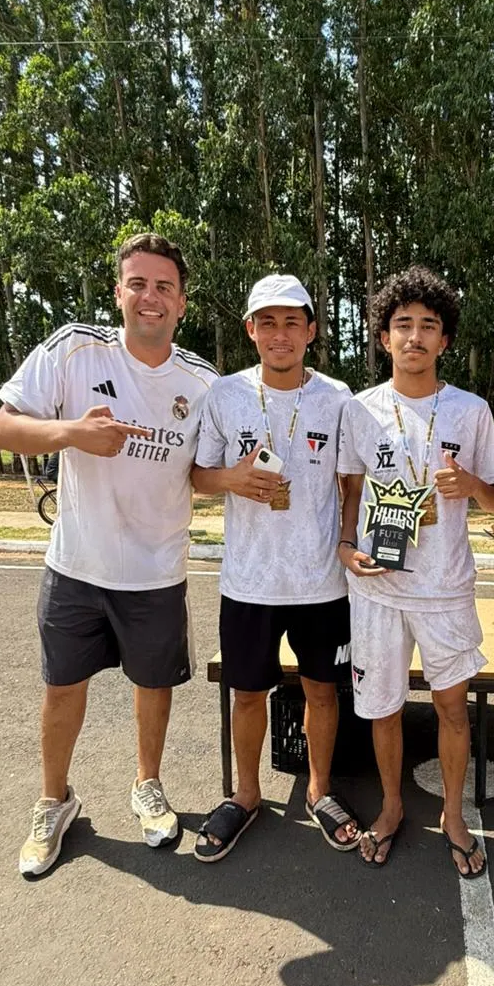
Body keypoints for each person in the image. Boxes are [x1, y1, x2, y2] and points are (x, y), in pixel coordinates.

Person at [0, 232, 218, 876]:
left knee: (154, 686)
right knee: (62, 687)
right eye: (138, 284)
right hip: (76, 566)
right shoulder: (74, 348)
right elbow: (2, 428)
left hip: (156, 570)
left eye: (164, 287)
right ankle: (53, 801)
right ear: (119, 293)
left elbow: (202, 472)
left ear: (182, 302)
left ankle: (148, 784)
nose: (151, 297)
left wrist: (239, 478)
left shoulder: (203, 382)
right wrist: (73, 433)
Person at [337, 266, 494, 875]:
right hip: (377, 586)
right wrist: (345, 545)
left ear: (444, 340)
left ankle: (453, 815)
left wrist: (471, 485)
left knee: (452, 708)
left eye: (428, 326)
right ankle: (392, 807)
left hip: (444, 589)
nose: (415, 337)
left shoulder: (471, 410)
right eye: (402, 324)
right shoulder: (358, 410)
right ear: (383, 337)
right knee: (383, 707)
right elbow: (350, 488)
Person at [191, 274, 358, 861]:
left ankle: (319, 790)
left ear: (311, 331)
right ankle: (246, 794)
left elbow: (352, 480)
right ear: (250, 330)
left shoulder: (338, 398)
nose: (279, 334)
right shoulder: (225, 395)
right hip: (249, 581)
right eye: (268, 322)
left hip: (320, 582)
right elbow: (198, 476)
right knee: (246, 694)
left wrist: (346, 539)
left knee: (322, 692)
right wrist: (232, 478)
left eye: (292, 322)